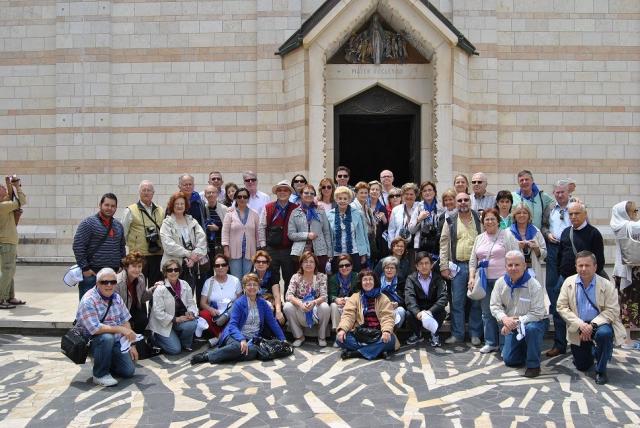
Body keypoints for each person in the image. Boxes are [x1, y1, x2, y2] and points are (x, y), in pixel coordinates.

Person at [556, 251, 626, 385]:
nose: (583, 269)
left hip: (599, 324)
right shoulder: (568, 283)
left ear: (595, 266)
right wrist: (581, 325)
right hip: (578, 325)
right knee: (582, 365)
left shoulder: (606, 284)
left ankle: (601, 370)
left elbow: (612, 310)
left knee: (605, 334)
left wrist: (592, 325)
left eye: (587, 265)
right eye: (580, 265)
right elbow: (561, 307)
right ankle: (594, 350)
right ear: (576, 267)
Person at [547, 201, 606, 358]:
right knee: (559, 311)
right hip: (564, 279)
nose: (573, 217)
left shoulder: (594, 233)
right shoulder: (566, 232)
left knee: (587, 312)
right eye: (570, 214)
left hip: (586, 282)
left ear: (585, 214)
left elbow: (599, 261)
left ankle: (591, 343)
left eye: (577, 213)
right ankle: (559, 345)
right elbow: (560, 255)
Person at [190, 273, 287, 366]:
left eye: (255, 285)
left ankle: (226, 354)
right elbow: (232, 326)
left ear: (258, 287)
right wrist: (241, 339)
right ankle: (207, 356)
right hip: (234, 335)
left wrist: (283, 340)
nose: (252, 287)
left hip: (252, 338)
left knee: (252, 351)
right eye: (249, 285)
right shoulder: (239, 303)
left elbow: (272, 322)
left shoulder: (263, 303)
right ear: (244, 287)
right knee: (239, 347)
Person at [490, 251, 548, 378]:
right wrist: (504, 318)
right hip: (512, 325)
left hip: (533, 323)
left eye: (517, 264)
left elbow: (538, 313)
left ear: (524, 266)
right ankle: (527, 349)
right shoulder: (500, 283)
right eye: (510, 265)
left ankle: (534, 365)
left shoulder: (534, 285)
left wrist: (514, 322)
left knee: (531, 329)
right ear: (505, 267)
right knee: (510, 360)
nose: (513, 268)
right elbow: (494, 306)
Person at [75, 267, 137, 387]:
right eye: (104, 282)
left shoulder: (116, 297)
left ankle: (105, 360)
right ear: (97, 283)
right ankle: (100, 374)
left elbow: (125, 321)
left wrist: (131, 344)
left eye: (113, 282)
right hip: (93, 341)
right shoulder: (88, 300)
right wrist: (120, 329)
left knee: (128, 371)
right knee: (107, 337)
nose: (109, 285)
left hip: (116, 341)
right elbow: (95, 329)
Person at [468, 208, 519, 353]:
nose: (489, 222)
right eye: (486, 219)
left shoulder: (507, 235)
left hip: (503, 281)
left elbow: (516, 256)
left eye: (492, 219)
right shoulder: (479, 238)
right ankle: (491, 342)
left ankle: (504, 345)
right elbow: (473, 261)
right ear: (483, 222)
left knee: (502, 313)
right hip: (484, 280)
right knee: (486, 313)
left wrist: (514, 276)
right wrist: (471, 277)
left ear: (498, 221)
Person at [439, 192, 483, 345]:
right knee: (457, 302)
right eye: (460, 200)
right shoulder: (450, 220)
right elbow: (444, 243)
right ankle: (457, 334)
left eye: (466, 200)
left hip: (476, 267)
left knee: (476, 301)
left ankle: (475, 334)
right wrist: (443, 265)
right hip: (457, 266)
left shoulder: (479, 218)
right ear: (456, 203)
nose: (463, 202)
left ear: (470, 201)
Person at [336, 269, 399, 360]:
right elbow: (348, 316)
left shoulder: (383, 298)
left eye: (370, 279)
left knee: (390, 340)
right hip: (360, 334)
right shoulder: (355, 297)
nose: (368, 282)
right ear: (361, 282)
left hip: (378, 334)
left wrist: (386, 331)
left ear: (375, 282)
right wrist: (342, 329)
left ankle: (356, 353)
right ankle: (376, 351)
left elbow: (387, 316)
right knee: (340, 339)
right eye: (365, 279)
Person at [73, 193, 126, 300]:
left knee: (109, 309)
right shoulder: (88, 223)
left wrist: (121, 265)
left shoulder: (118, 226)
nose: (109, 208)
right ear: (100, 205)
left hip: (113, 276)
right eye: (107, 205)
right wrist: (85, 268)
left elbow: (121, 247)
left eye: (113, 206)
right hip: (92, 275)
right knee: (88, 308)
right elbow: (78, 246)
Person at [159, 191, 207, 295]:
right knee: (171, 298)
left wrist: (194, 257)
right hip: (173, 267)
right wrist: (189, 254)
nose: (180, 206)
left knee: (188, 296)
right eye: (177, 204)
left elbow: (202, 240)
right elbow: (168, 245)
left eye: (182, 204)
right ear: (172, 206)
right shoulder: (167, 223)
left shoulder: (192, 221)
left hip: (191, 266)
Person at [147, 260, 198, 354]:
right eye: (170, 270)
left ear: (179, 271)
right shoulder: (160, 289)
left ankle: (184, 344)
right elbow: (158, 312)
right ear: (165, 273)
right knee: (175, 350)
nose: (173, 272)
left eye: (176, 269)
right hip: (163, 323)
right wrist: (176, 319)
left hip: (181, 319)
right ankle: (155, 338)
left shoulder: (185, 284)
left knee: (193, 323)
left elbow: (191, 303)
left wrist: (191, 312)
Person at [121, 180, 165, 287]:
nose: (146, 193)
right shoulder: (130, 210)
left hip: (157, 255)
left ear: (153, 193)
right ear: (139, 192)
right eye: (143, 190)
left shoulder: (160, 210)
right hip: (138, 256)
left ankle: (154, 305)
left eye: (149, 190)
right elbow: (123, 234)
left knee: (156, 287)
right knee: (137, 286)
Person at [283, 251, 331, 347]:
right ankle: (299, 336)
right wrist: (300, 304)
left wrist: (313, 302)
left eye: (311, 262)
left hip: (315, 307)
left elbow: (324, 296)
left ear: (315, 264)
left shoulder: (321, 277)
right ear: (301, 264)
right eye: (305, 261)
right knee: (287, 306)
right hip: (300, 306)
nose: (308, 264)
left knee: (325, 307)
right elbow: (289, 295)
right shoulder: (296, 277)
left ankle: (321, 337)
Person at [610, 201, 640, 349]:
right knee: (627, 304)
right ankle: (626, 339)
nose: (636, 214)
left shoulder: (622, 225)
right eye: (634, 211)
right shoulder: (624, 226)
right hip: (628, 271)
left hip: (629, 270)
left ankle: (628, 336)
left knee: (628, 304)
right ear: (625, 213)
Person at [259, 180, 298, 293]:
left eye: (285, 190)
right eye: (280, 190)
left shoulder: (295, 208)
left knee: (289, 277)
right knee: (272, 277)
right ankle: (274, 302)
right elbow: (262, 227)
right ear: (276, 192)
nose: (282, 192)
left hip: (288, 249)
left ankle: (288, 302)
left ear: (290, 193)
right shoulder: (268, 207)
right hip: (271, 249)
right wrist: (264, 247)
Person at [404, 252, 448, 346]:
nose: (424, 266)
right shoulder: (411, 278)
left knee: (442, 312)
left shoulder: (438, 278)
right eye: (421, 264)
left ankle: (434, 333)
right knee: (409, 313)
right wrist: (417, 312)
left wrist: (430, 312)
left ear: (431, 265)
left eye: (426, 263)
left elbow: (443, 297)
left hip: (432, 309)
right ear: (416, 266)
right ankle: (417, 334)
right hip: (419, 310)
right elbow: (409, 297)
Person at [288, 184, 332, 274]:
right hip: (300, 251)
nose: (309, 195)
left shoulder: (320, 211)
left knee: (319, 277)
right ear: (301, 194)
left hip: (320, 251)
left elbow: (327, 232)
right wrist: (307, 235)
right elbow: (291, 234)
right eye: (306, 193)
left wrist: (329, 252)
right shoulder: (295, 212)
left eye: (312, 193)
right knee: (301, 278)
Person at [199, 254, 242, 347]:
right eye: (217, 265)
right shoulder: (208, 282)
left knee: (238, 313)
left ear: (227, 266)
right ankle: (222, 336)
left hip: (230, 313)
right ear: (214, 268)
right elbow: (202, 303)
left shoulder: (235, 280)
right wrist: (211, 309)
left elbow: (240, 301)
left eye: (223, 265)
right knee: (203, 314)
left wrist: (230, 312)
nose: (220, 267)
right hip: (216, 314)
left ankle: (219, 338)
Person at [327, 186, 370, 273]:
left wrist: (364, 254)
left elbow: (363, 234)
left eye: (345, 198)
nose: (342, 201)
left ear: (350, 200)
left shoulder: (358, 213)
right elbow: (327, 236)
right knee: (336, 277)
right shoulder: (329, 215)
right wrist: (328, 254)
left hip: (354, 252)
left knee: (355, 277)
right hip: (336, 253)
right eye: (340, 198)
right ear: (336, 199)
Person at [222, 187, 263, 279]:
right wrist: (226, 249)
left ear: (248, 199)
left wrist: (259, 250)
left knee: (248, 277)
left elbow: (258, 233)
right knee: (236, 278)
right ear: (236, 198)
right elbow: (225, 233)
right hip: (233, 251)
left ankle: (246, 294)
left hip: (250, 252)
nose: (242, 199)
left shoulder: (254, 214)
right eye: (239, 197)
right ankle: (237, 294)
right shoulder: (229, 214)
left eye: (245, 197)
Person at [0, 175, 26, 309]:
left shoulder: (4, 204)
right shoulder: (3, 206)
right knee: (7, 271)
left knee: (9, 271)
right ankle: (1, 298)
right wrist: (17, 187)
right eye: (2, 188)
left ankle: (10, 297)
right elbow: (21, 201)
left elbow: (9, 196)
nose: (4, 188)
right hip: (6, 243)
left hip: (6, 242)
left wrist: (9, 184)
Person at [115, 251, 154, 334]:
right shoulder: (118, 282)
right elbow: (116, 307)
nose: (137, 270)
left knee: (143, 319)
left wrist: (154, 290)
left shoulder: (141, 277)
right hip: (120, 313)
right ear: (127, 267)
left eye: (139, 266)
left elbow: (142, 297)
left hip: (133, 310)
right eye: (134, 266)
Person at [510, 203, 547, 283]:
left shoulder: (536, 232)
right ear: (514, 216)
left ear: (529, 215)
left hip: (534, 271)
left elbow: (545, 254)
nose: (522, 215)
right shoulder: (508, 233)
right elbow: (504, 253)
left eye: (525, 213)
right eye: (518, 213)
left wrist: (536, 248)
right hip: (514, 271)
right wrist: (517, 246)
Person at [409, 181, 443, 260]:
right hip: (422, 244)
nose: (427, 192)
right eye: (424, 191)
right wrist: (419, 219)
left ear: (434, 192)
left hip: (438, 244)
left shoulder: (441, 206)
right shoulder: (418, 207)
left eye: (430, 190)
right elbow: (411, 230)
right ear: (421, 194)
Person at [251, 250, 285, 326]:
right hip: (256, 304)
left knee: (280, 317)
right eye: (258, 261)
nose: (261, 264)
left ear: (268, 264)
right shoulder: (251, 277)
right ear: (254, 263)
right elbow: (249, 297)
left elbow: (276, 295)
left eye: (264, 262)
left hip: (272, 303)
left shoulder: (273, 275)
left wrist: (278, 311)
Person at [387, 183, 419, 262]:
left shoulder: (420, 207)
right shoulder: (396, 210)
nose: (409, 196)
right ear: (402, 196)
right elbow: (391, 230)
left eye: (411, 194)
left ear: (416, 195)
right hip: (399, 247)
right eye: (406, 194)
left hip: (415, 246)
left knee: (413, 269)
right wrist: (392, 246)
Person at [328, 255, 358, 337]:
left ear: (351, 266)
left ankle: (351, 334)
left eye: (347, 265)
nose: (344, 268)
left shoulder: (357, 276)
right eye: (341, 266)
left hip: (352, 303)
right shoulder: (333, 278)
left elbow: (359, 293)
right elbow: (330, 295)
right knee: (333, 306)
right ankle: (338, 335)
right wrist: (336, 299)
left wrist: (350, 300)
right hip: (339, 304)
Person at [350, 181, 377, 267]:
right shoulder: (352, 208)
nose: (364, 195)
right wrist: (362, 252)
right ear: (356, 193)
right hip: (358, 247)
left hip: (369, 242)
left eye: (366, 193)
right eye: (361, 193)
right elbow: (355, 231)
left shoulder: (366, 207)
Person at [379, 256, 407, 330]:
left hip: (395, 308)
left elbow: (406, 298)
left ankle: (392, 332)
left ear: (396, 270)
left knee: (401, 311)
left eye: (392, 268)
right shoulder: (377, 281)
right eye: (387, 268)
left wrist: (397, 304)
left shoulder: (401, 281)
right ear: (383, 269)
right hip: (380, 308)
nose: (389, 270)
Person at [203, 184, 227, 262]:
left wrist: (218, 228)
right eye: (208, 193)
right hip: (207, 247)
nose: (211, 195)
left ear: (217, 194)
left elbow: (229, 229)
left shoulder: (225, 209)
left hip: (221, 247)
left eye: (213, 192)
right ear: (205, 195)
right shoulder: (202, 209)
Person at [368, 180, 390, 262]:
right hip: (366, 239)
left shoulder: (382, 208)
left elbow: (386, 227)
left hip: (378, 241)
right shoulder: (364, 205)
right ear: (369, 191)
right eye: (372, 189)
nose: (375, 191)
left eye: (377, 190)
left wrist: (384, 219)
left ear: (380, 192)